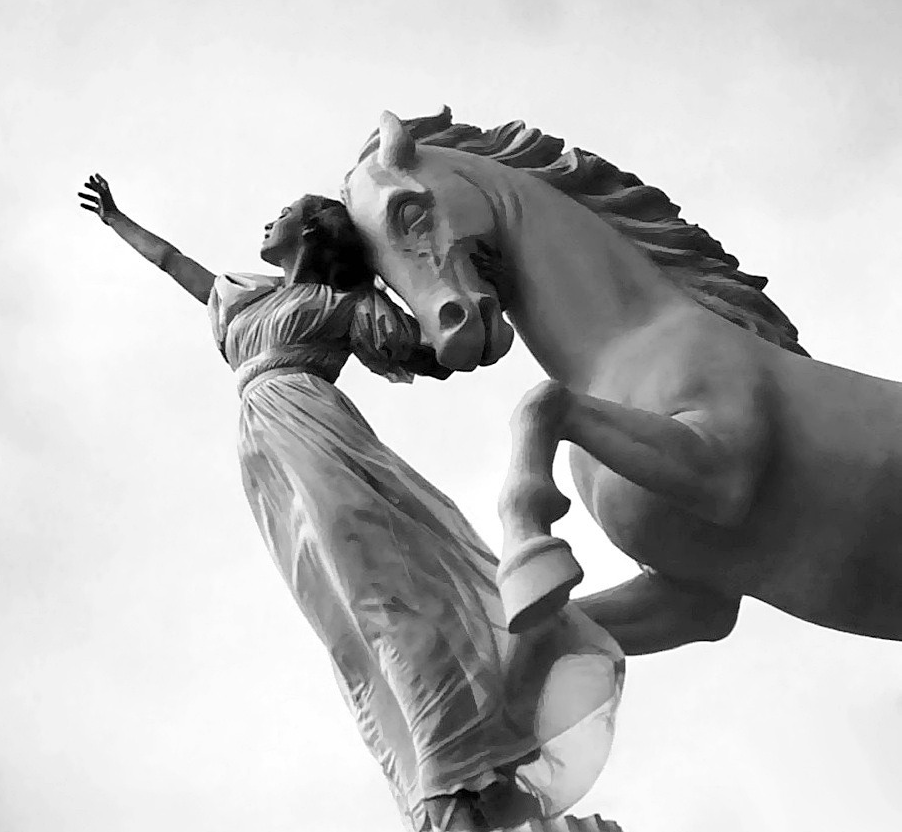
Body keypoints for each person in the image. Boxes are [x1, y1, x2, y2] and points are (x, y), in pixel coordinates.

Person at [77, 174, 625, 832]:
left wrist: (464, 290)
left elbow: (432, 352)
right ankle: (440, 771)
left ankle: (451, 773)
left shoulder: (342, 304)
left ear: (311, 229)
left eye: (284, 211)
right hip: (265, 454)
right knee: (339, 609)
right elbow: (176, 265)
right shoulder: (243, 297)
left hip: (316, 433)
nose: (269, 219)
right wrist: (116, 218)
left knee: (377, 591)